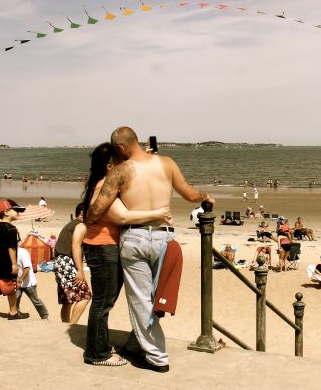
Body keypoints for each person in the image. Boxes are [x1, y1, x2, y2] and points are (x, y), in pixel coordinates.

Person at [85, 127, 213, 373]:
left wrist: (87, 220)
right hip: (165, 239)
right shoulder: (167, 162)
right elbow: (190, 194)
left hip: (135, 237)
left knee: (141, 301)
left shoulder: (121, 171)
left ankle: (156, 357)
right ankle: (138, 346)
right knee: (156, 298)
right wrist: (207, 195)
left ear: (121, 149)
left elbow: (98, 208)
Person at [78, 141, 171, 368]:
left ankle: (104, 344)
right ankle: (97, 353)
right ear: (111, 167)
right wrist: (158, 213)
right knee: (103, 302)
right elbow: (122, 217)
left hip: (107, 246)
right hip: (103, 248)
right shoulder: (103, 187)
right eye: (122, 162)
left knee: (106, 300)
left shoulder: (105, 182)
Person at [0, 199, 29, 320]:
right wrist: (14, 263)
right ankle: (13, 312)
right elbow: (11, 248)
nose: (19, 213)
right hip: (7, 263)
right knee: (11, 288)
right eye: (16, 210)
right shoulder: (11, 229)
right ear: (6, 212)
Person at [53, 203, 91, 324]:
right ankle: (72, 325)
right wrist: (80, 270)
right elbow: (75, 247)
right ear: (82, 213)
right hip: (67, 261)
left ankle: (65, 325)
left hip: (59, 261)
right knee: (85, 296)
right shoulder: (80, 225)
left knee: (67, 300)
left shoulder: (71, 224)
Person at [15, 240, 49, 320]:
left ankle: (44, 316)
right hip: (17, 281)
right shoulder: (10, 253)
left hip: (28, 283)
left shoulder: (23, 252)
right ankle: (16, 313)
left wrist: (20, 280)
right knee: (15, 299)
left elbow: (27, 268)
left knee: (36, 301)